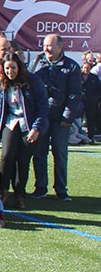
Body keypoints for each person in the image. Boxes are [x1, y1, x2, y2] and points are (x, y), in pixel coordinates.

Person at [0, 52, 47, 211]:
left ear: (19, 67)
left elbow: (43, 106)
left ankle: (19, 194)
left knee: (23, 160)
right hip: (10, 122)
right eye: (7, 68)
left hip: (28, 124)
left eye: (13, 68)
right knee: (6, 156)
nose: (10, 72)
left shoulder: (33, 81)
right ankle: (3, 192)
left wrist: (36, 128)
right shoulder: (1, 82)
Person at [32, 33, 81, 202]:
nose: (46, 49)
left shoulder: (72, 67)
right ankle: (40, 188)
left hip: (61, 119)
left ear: (60, 47)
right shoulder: (37, 62)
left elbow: (74, 95)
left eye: (50, 46)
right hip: (42, 117)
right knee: (39, 153)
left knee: (60, 154)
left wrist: (67, 117)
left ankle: (61, 190)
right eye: (45, 45)